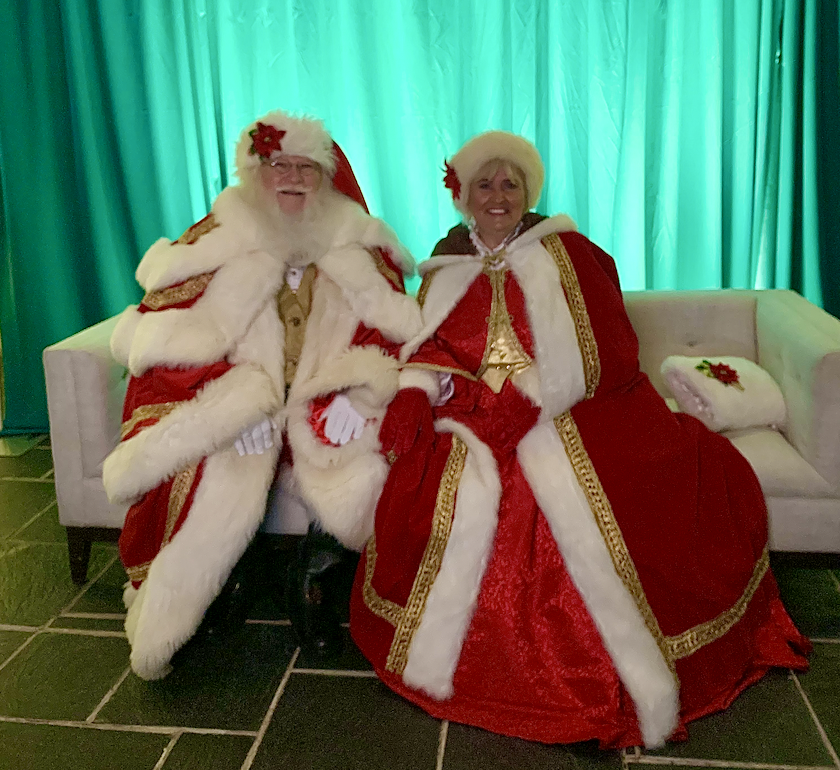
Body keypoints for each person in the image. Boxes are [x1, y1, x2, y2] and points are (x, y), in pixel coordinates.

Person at [350, 131, 810, 749]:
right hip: (471, 413)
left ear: (527, 192)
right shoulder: (443, 262)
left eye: (510, 184)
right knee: (439, 494)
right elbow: (432, 345)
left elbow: (608, 347)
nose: (497, 196)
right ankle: (457, 664)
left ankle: (605, 677)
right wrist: (414, 388)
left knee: (607, 501)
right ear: (462, 194)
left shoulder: (566, 251)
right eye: (484, 184)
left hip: (568, 405)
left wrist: (529, 399)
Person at [102, 110, 423, 680]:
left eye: (306, 167)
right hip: (250, 412)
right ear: (256, 174)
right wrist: (235, 401)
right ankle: (230, 576)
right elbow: (166, 337)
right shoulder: (214, 242)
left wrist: (360, 392)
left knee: (375, 454)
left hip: (325, 407)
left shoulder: (359, 249)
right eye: (279, 165)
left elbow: (398, 339)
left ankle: (314, 581)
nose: (293, 178)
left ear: (326, 178)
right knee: (201, 461)